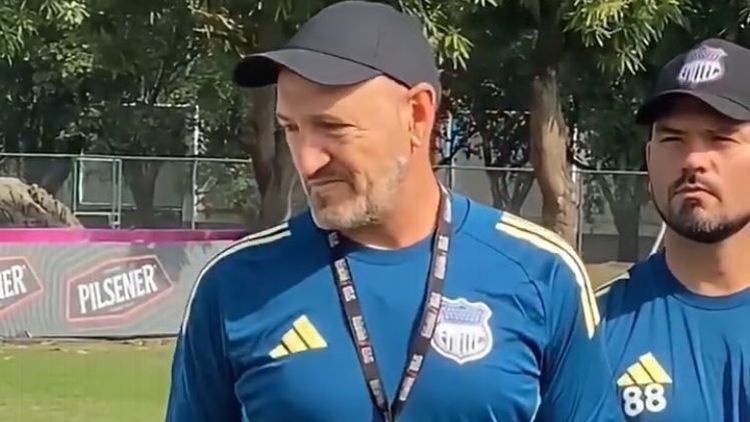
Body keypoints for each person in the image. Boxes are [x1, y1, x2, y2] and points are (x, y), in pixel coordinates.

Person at [166, 1, 619, 421]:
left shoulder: (541, 273)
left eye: (333, 127)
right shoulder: (234, 284)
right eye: (291, 129)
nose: (307, 161)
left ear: (417, 116)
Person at [597, 37, 750, 421]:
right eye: (672, 139)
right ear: (649, 160)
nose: (693, 160)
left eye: (721, 138)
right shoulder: (593, 328)